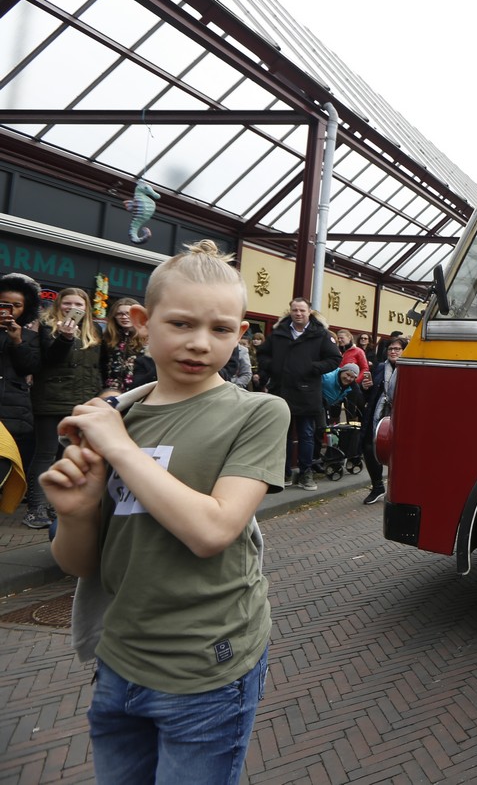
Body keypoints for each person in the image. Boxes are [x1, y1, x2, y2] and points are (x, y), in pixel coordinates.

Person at [40, 239, 288, 785]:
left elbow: (213, 531)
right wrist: (77, 513)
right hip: (118, 661)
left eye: (221, 329)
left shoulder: (258, 412)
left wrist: (120, 449)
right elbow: (81, 565)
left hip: (208, 669)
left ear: (240, 335)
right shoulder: (112, 419)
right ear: (142, 323)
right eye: (180, 324)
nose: (199, 343)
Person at [25, 288, 102, 530]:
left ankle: (54, 504)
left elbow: (97, 368)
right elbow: (50, 360)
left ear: (86, 307)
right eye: (67, 303)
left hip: (82, 402)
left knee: (68, 455)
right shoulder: (47, 326)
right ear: (59, 304)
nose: (72, 308)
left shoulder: (94, 330)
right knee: (46, 453)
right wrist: (65, 337)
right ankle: (36, 507)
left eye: (78, 304)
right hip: (51, 400)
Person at [257, 298, 340, 491]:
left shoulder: (320, 334)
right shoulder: (279, 332)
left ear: (309, 311)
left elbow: (335, 358)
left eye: (302, 310)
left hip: (306, 392)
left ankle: (305, 473)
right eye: (295, 310)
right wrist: (273, 366)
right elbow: (263, 354)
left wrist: (313, 367)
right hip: (281, 391)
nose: (298, 313)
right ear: (290, 311)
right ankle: (284, 472)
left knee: (306, 435)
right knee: (282, 435)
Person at [0, 273, 42, 505]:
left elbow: (30, 367)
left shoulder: (28, 336)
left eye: (17, 305)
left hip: (13, 410)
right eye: (4, 304)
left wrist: (17, 341)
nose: (10, 310)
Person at [359, 336, 405, 505]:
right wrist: (366, 387)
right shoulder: (379, 368)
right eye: (390, 349)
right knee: (369, 448)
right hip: (377, 415)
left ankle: (399, 489)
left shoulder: (409, 369)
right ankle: (377, 486)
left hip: (401, 416)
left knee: (398, 453)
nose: (393, 352)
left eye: (397, 349)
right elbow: (368, 394)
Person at [100, 298, 147, 397]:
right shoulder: (107, 338)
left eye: (128, 313)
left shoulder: (147, 339)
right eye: (119, 314)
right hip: (111, 393)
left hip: (138, 393)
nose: (124, 317)